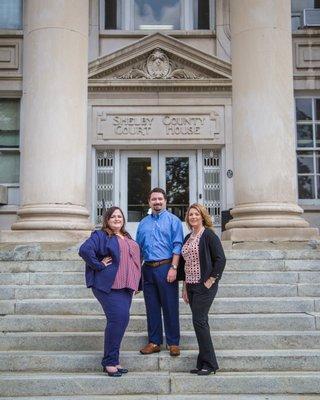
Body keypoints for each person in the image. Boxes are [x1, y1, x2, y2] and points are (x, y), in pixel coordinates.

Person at [78, 206, 141, 377]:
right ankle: (109, 362)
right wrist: (98, 265)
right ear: (107, 219)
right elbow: (84, 250)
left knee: (121, 320)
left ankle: (114, 359)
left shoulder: (127, 236)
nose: (117, 219)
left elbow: (134, 261)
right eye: (113, 216)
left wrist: (137, 283)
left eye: (119, 216)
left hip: (126, 287)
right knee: (118, 318)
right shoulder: (101, 235)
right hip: (108, 286)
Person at [178, 203, 226, 375]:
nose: (193, 217)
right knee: (199, 323)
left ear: (202, 216)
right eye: (190, 215)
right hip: (190, 286)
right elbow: (184, 265)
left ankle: (210, 364)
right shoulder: (187, 237)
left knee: (200, 322)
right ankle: (202, 362)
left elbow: (220, 260)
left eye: (196, 214)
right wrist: (184, 288)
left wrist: (211, 280)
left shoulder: (209, 235)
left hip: (204, 286)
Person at [136, 187, 184, 356]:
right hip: (147, 269)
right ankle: (154, 341)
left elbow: (178, 245)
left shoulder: (173, 221)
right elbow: (138, 250)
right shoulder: (143, 223)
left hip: (166, 267)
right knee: (152, 307)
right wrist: (136, 276)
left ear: (165, 201)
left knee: (170, 305)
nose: (157, 202)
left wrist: (174, 267)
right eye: (153, 199)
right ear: (149, 202)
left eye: (160, 199)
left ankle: (173, 343)